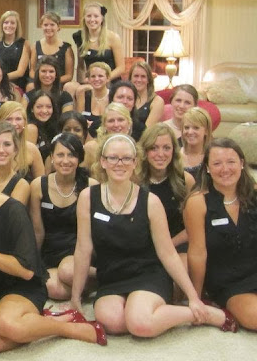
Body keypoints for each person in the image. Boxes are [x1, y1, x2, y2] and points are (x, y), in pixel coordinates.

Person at [71, 133, 237, 337]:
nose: (119, 164)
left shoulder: (150, 201)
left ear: (135, 162)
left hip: (148, 273)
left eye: (126, 158)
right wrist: (75, 297)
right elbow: (83, 248)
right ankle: (150, 311)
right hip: (111, 276)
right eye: (113, 158)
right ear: (103, 162)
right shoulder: (88, 197)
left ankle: (203, 314)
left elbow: (168, 253)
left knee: (140, 324)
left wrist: (193, 297)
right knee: (113, 322)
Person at [0, 147, 106, 352]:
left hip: (22, 285)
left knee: (7, 324)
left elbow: (26, 271)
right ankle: (34, 324)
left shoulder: (12, 209)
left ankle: (66, 327)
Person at [184, 138, 257, 331]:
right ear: (207, 168)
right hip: (230, 282)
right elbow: (197, 253)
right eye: (217, 163)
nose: (225, 169)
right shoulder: (198, 202)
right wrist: (197, 298)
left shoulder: (254, 194)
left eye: (231, 162)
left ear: (242, 163)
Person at [29, 133, 98, 300]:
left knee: (67, 271)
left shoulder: (91, 186)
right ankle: (85, 287)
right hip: (51, 252)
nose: (65, 161)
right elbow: (38, 231)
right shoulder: (38, 185)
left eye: (71, 155)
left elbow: (96, 233)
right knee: (51, 288)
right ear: (52, 157)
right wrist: (33, 262)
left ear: (79, 159)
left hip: (79, 251)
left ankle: (105, 275)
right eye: (60, 155)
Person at [138, 124, 195, 257]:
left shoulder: (186, 180)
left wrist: (166, 246)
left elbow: (193, 227)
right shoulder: (134, 180)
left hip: (176, 245)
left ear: (174, 150)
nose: (160, 154)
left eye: (166, 148)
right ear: (145, 151)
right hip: (142, 248)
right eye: (154, 148)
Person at [0, 101, 46, 181]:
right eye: (8, 119)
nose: (13, 123)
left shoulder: (32, 149)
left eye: (18, 119)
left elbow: (40, 182)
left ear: (24, 122)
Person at [71, 2, 124, 88]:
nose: (92, 20)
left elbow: (121, 68)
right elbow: (80, 66)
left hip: (110, 82)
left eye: (96, 16)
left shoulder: (113, 38)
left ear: (102, 18)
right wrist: (82, 83)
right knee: (70, 87)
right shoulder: (79, 37)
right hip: (91, 82)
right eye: (89, 16)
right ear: (84, 18)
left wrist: (103, 79)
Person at [0, 122, 30, 204]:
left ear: (15, 149)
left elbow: (11, 211)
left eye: (7, 144)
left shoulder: (22, 185)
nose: (1, 150)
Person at [83, 102, 133, 172]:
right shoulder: (92, 148)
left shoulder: (135, 150)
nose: (116, 125)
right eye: (111, 121)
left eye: (120, 120)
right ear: (104, 125)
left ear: (129, 124)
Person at [29, 12, 74, 87]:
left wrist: (51, 80)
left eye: (52, 25)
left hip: (59, 84)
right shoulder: (35, 46)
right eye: (45, 25)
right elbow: (32, 71)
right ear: (41, 26)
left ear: (58, 27)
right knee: (30, 86)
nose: (48, 28)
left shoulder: (67, 48)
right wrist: (43, 81)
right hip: (40, 83)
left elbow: (69, 75)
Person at [0, 10, 30, 91]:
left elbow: (20, 72)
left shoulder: (25, 44)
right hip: (0, 84)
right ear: (2, 25)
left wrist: (0, 78)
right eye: (6, 22)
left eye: (12, 23)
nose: (9, 25)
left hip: (18, 85)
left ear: (17, 26)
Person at [25, 89, 60, 164]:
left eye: (48, 107)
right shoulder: (31, 128)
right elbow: (28, 162)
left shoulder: (52, 127)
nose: (44, 111)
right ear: (32, 109)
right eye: (39, 107)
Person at [181, 106, 213, 186]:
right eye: (186, 127)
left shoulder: (213, 157)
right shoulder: (174, 155)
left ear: (206, 131)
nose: (190, 132)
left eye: (196, 128)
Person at [75, 62, 111, 130]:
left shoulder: (113, 95)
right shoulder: (83, 94)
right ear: (88, 79)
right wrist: (84, 123)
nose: (96, 79)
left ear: (108, 78)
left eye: (100, 76)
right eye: (93, 76)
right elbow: (79, 119)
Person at [129, 61, 164, 127]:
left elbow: (147, 131)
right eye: (136, 76)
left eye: (143, 76)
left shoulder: (157, 101)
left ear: (148, 80)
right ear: (130, 78)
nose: (139, 80)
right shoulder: (124, 99)